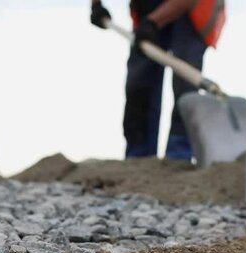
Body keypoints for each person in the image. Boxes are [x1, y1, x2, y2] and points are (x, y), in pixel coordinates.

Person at [90, 0, 225, 160]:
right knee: (139, 83)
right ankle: (138, 154)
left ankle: (179, 154)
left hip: (195, 9)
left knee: (185, 84)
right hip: (149, 6)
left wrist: (153, 21)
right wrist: (96, 5)